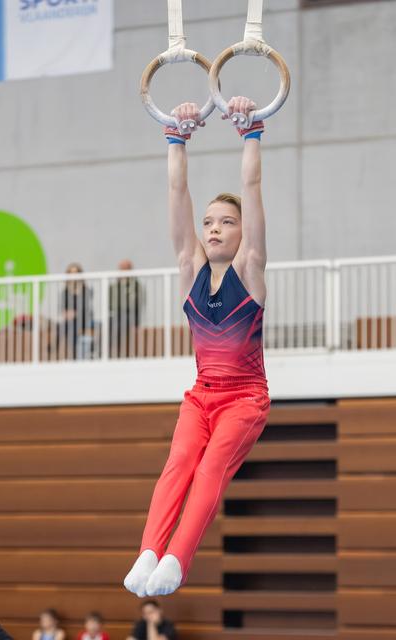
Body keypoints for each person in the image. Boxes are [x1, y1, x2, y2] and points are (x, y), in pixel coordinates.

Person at [124, 97, 271, 597]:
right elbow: (176, 190)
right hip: (201, 396)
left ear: (242, 233)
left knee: (210, 468)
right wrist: (176, 137)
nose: (213, 228)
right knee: (179, 463)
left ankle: (176, 562)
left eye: (226, 222)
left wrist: (249, 132)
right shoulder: (189, 270)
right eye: (209, 222)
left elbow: (251, 187)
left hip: (245, 399)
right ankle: (149, 550)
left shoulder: (250, 270)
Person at [59, 263, 94, 359]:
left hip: (84, 319)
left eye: (75, 273)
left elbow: (85, 308)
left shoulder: (85, 290)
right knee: (67, 326)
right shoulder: (65, 291)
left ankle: (74, 355)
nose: (73, 275)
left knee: (72, 326)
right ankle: (72, 354)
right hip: (70, 321)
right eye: (71, 273)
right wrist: (68, 314)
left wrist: (74, 313)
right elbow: (62, 309)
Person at [109, 259, 143, 357]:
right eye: (122, 269)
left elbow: (136, 303)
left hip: (132, 316)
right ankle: (106, 351)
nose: (124, 272)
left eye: (126, 269)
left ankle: (117, 352)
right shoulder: (114, 286)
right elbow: (111, 305)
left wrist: (122, 302)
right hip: (117, 316)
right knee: (109, 322)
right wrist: (125, 301)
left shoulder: (136, 286)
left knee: (120, 322)